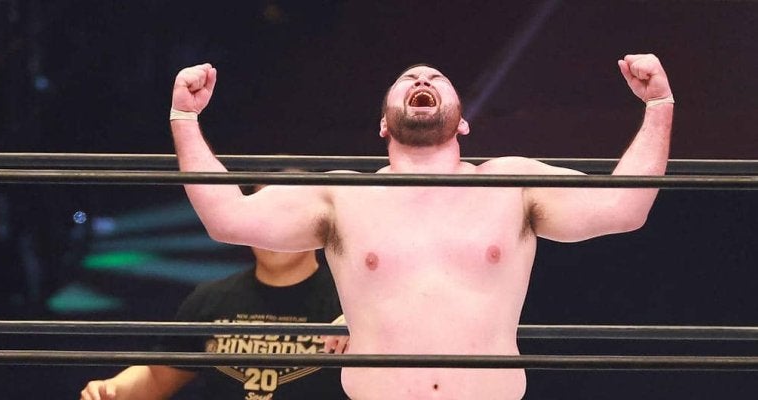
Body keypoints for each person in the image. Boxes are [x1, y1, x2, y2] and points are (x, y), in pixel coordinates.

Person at [167, 54, 672, 399]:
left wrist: (659, 107)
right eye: (409, 78)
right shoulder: (342, 195)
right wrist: (185, 120)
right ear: (384, 124)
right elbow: (228, 218)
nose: (422, 80)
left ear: (463, 122)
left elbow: (623, 207)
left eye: (435, 78)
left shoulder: (512, 184)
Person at [80, 242, 349, 400]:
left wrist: (363, 327)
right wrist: (110, 390)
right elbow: (157, 375)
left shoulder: (350, 302)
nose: (273, 228)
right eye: (263, 214)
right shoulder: (211, 298)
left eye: (287, 214)